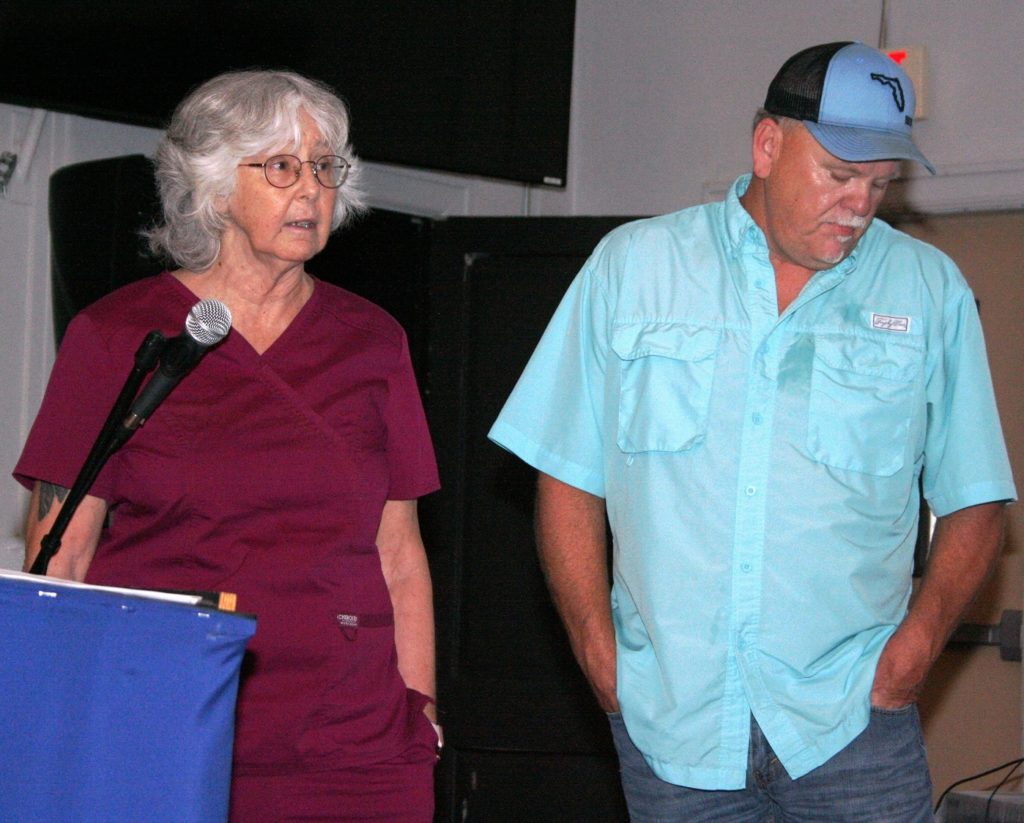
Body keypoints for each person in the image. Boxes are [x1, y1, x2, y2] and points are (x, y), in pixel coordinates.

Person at [489, 41, 1016, 821]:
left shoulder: (927, 290)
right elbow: (568, 474)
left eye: (878, 182)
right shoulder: (632, 268)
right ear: (767, 145)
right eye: (838, 174)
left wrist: (917, 647)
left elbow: (976, 496)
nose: (859, 204)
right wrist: (598, 653)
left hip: (854, 726)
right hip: (674, 724)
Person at [15, 70, 441, 822]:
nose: (310, 189)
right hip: (162, 726)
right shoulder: (119, 336)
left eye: (324, 166)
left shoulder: (373, 342)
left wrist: (422, 711)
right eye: (281, 166)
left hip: (352, 744)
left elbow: (400, 553)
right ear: (212, 186)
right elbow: (62, 559)